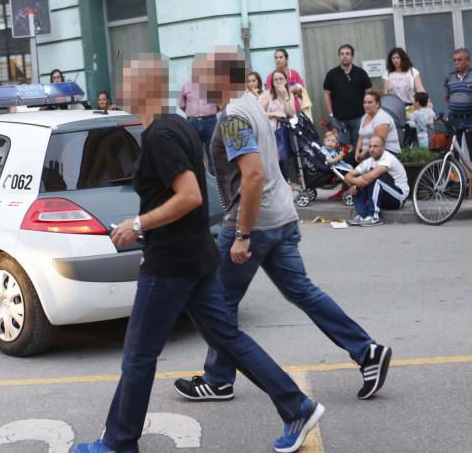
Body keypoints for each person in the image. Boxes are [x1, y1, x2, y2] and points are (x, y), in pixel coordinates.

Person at [73, 53, 324, 453]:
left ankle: (119, 443)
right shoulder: (178, 127)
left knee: (139, 356)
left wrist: (138, 226)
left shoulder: (160, 136)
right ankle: (296, 405)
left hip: (171, 265)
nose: (119, 91)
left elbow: (189, 195)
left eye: (126, 83)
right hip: (195, 257)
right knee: (228, 338)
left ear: (144, 88)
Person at [172, 47, 391, 409]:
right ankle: (367, 351)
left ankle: (217, 380)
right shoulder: (250, 105)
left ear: (223, 78)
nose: (200, 84)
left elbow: (253, 174)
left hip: (254, 222)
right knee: (302, 292)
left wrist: (242, 234)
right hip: (279, 217)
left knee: (220, 302)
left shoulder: (234, 116)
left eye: (205, 76)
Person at [344, 135, 410, 227]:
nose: (372, 149)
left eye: (375, 146)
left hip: (398, 197)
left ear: (383, 147)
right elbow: (348, 175)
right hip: (383, 197)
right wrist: (353, 183)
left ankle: (374, 217)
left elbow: (372, 176)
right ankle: (362, 215)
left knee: (375, 179)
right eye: (370, 146)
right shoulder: (369, 161)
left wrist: (355, 182)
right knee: (355, 184)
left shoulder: (388, 158)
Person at [323, 44, 372, 151]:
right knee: (339, 148)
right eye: (342, 54)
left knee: (358, 147)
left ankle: (357, 167)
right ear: (339, 56)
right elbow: (326, 95)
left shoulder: (361, 73)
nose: (345, 56)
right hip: (338, 119)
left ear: (352, 56)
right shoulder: (332, 74)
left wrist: (368, 113)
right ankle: (342, 168)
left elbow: (369, 93)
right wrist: (331, 115)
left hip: (359, 118)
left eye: (347, 54)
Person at [177, 55, 219, 172]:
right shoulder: (187, 85)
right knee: (194, 151)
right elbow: (181, 104)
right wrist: (193, 113)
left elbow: (220, 103)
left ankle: (214, 179)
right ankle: (199, 177)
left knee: (213, 150)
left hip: (210, 121)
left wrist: (209, 112)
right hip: (192, 122)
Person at [260, 69, 297, 176]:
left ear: (286, 80)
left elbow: (292, 113)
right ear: (272, 82)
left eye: (281, 79)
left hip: (283, 132)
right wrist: (274, 114)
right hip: (269, 132)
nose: (278, 81)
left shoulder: (289, 94)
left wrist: (286, 96)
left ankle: (286, 181)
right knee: (274, 161)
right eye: (275, 79)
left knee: (284, 159)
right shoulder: (267, 95)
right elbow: (258, 113)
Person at [355, 91, 401, 159]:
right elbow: (361, 136)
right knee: (346, 157)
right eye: (365, 102)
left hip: (385, 151)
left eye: (370, 102)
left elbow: (377, 142)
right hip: (368, 151)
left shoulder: (382, 117)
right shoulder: (364, 117)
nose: (366, 105)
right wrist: (357, 151)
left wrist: (362, 154)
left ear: (377, 104)